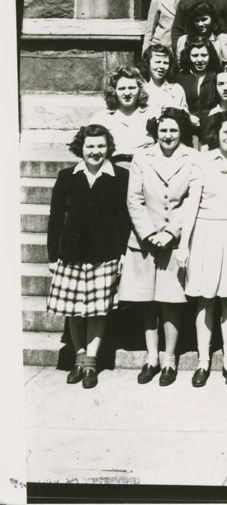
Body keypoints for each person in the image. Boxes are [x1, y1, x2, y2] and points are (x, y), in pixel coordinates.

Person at [46, 124, 131, 389]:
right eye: (90, 146)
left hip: (105, 254)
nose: (95, 151)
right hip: (71, 254)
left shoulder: (120, 177)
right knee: (75, 310)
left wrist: (123, 252)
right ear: (80, 148)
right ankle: (79, 358)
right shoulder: (67, 176)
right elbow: (56, 219)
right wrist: (52, 255)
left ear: (109, 148)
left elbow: (125, 219)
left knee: (97, 310)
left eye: (101, 146)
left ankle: (92, 362)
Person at [119, 108, 199, 386]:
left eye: (174, 130)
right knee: (148, 302)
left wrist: (172, 232)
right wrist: (150, 232)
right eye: (163, 130)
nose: (168, 135)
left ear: (182, 132)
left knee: (171, 300)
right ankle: (151, 357)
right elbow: (134, 199)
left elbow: (191, 199)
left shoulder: (192, 157)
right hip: (145, 241)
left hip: (173, 242)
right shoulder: (142, 156)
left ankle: (169, 359)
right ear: (156, 131)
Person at [178, 110, 227, 387]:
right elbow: (192, 204)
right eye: (226, 132)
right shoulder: (202, 162)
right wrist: (184, 244)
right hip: (206, 232)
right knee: (205, 299)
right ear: (216, 133)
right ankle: (203, 361)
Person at [90, 66, 154, 165]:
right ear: (114, 91)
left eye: (132, 88)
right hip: (113, 172)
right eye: (122, 89)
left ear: (140, 90)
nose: (127, 93)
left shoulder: (152, 115)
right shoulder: (101, 119)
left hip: (146, 170)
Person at [140, 43, 188, 114]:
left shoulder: (176, 90)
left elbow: (185, 115)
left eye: (165, 63)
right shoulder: (141, 90)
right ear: (147, 63)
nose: (162, 66)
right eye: (157, 62)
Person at [178, 37, 220, 116]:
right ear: (188, 57)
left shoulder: (217, 76)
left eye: (204, 55)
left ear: (210, 56)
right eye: (195, 55)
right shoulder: (179, 78)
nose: (200, 60)